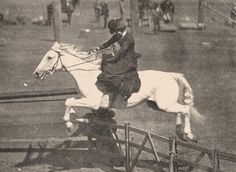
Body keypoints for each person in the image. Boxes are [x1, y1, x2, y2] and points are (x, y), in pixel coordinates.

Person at [94, 19, 141, 101]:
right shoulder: (118, 35)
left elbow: (122, 50)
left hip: (129, 61)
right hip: (122, 58)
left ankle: (121, 89)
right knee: (104, 62)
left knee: (109, 69)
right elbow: (108, 43)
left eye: (117, 31)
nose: (116, 34)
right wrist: (97, 48)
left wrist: (112, 57)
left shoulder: (128, 38)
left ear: (121, 30)